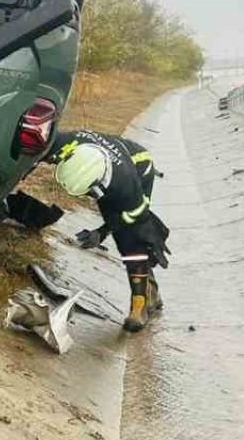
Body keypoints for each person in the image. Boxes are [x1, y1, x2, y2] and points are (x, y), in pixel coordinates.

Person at [48, 129, 169, 333]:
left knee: (130, 237)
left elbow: (134, 216)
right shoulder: (68, 143)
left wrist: (102, 232)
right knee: (118, 222)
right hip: (111, 157)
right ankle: (151, 289)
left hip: (140, 169)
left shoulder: (125, 187)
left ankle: (140, 304)